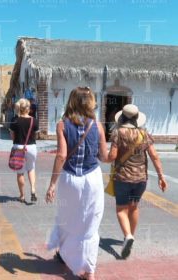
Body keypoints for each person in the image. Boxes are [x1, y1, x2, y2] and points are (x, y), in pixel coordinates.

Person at [45, 87, 108, 280]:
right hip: (92, 179)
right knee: (90, 224)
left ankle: (64, 256)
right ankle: (89, 273)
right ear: (90, 102)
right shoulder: (98, 126)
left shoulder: (62, 125)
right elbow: (104, 157)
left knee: (67, 220)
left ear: (71, 101)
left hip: (70, 180)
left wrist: (52, 184)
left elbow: (62, 155)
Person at [107, 104, 168, 259]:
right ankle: (130, 236)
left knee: (121, 209)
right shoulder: (143, 133)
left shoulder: (118, 133)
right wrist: (161, 176)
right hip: (140, 179)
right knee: (133, 207)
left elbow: (112, 156)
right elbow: (154, 156)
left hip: (122, 178)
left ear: (121, 118)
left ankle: (128, 236)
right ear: (136, 118)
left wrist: (103, 157)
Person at [9, 98, 39, 203]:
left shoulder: (14, 120)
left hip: (18, 147)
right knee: (31, 168)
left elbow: (12, 135)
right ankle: (33, 189)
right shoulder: (34, 120)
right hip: (31, 147)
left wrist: (17, 143)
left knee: (20, 172)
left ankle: (22, 196)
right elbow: (35, 135)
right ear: (28, 109)